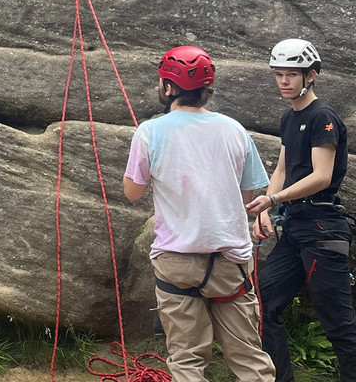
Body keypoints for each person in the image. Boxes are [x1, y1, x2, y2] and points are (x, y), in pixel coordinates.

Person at [124, 46, 274, 382]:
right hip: (230, 262)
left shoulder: (150, 132)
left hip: (177, 261)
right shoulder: (235, 130)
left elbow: (133, 192)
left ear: (167, 87)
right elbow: (248, 195)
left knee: (187, 359)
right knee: (249, 358)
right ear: (208, 89)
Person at [246, 39, 356, 382]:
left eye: (291, 74)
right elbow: (281, 169)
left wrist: (274, 201)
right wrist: (266, 208)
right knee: (264, 301)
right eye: (278, 74)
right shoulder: (290, 116)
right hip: (295, 228)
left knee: (336, 318)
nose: (283, 81)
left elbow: (321, 176)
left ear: (310, 75)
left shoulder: (322, 116)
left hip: (323, 228)